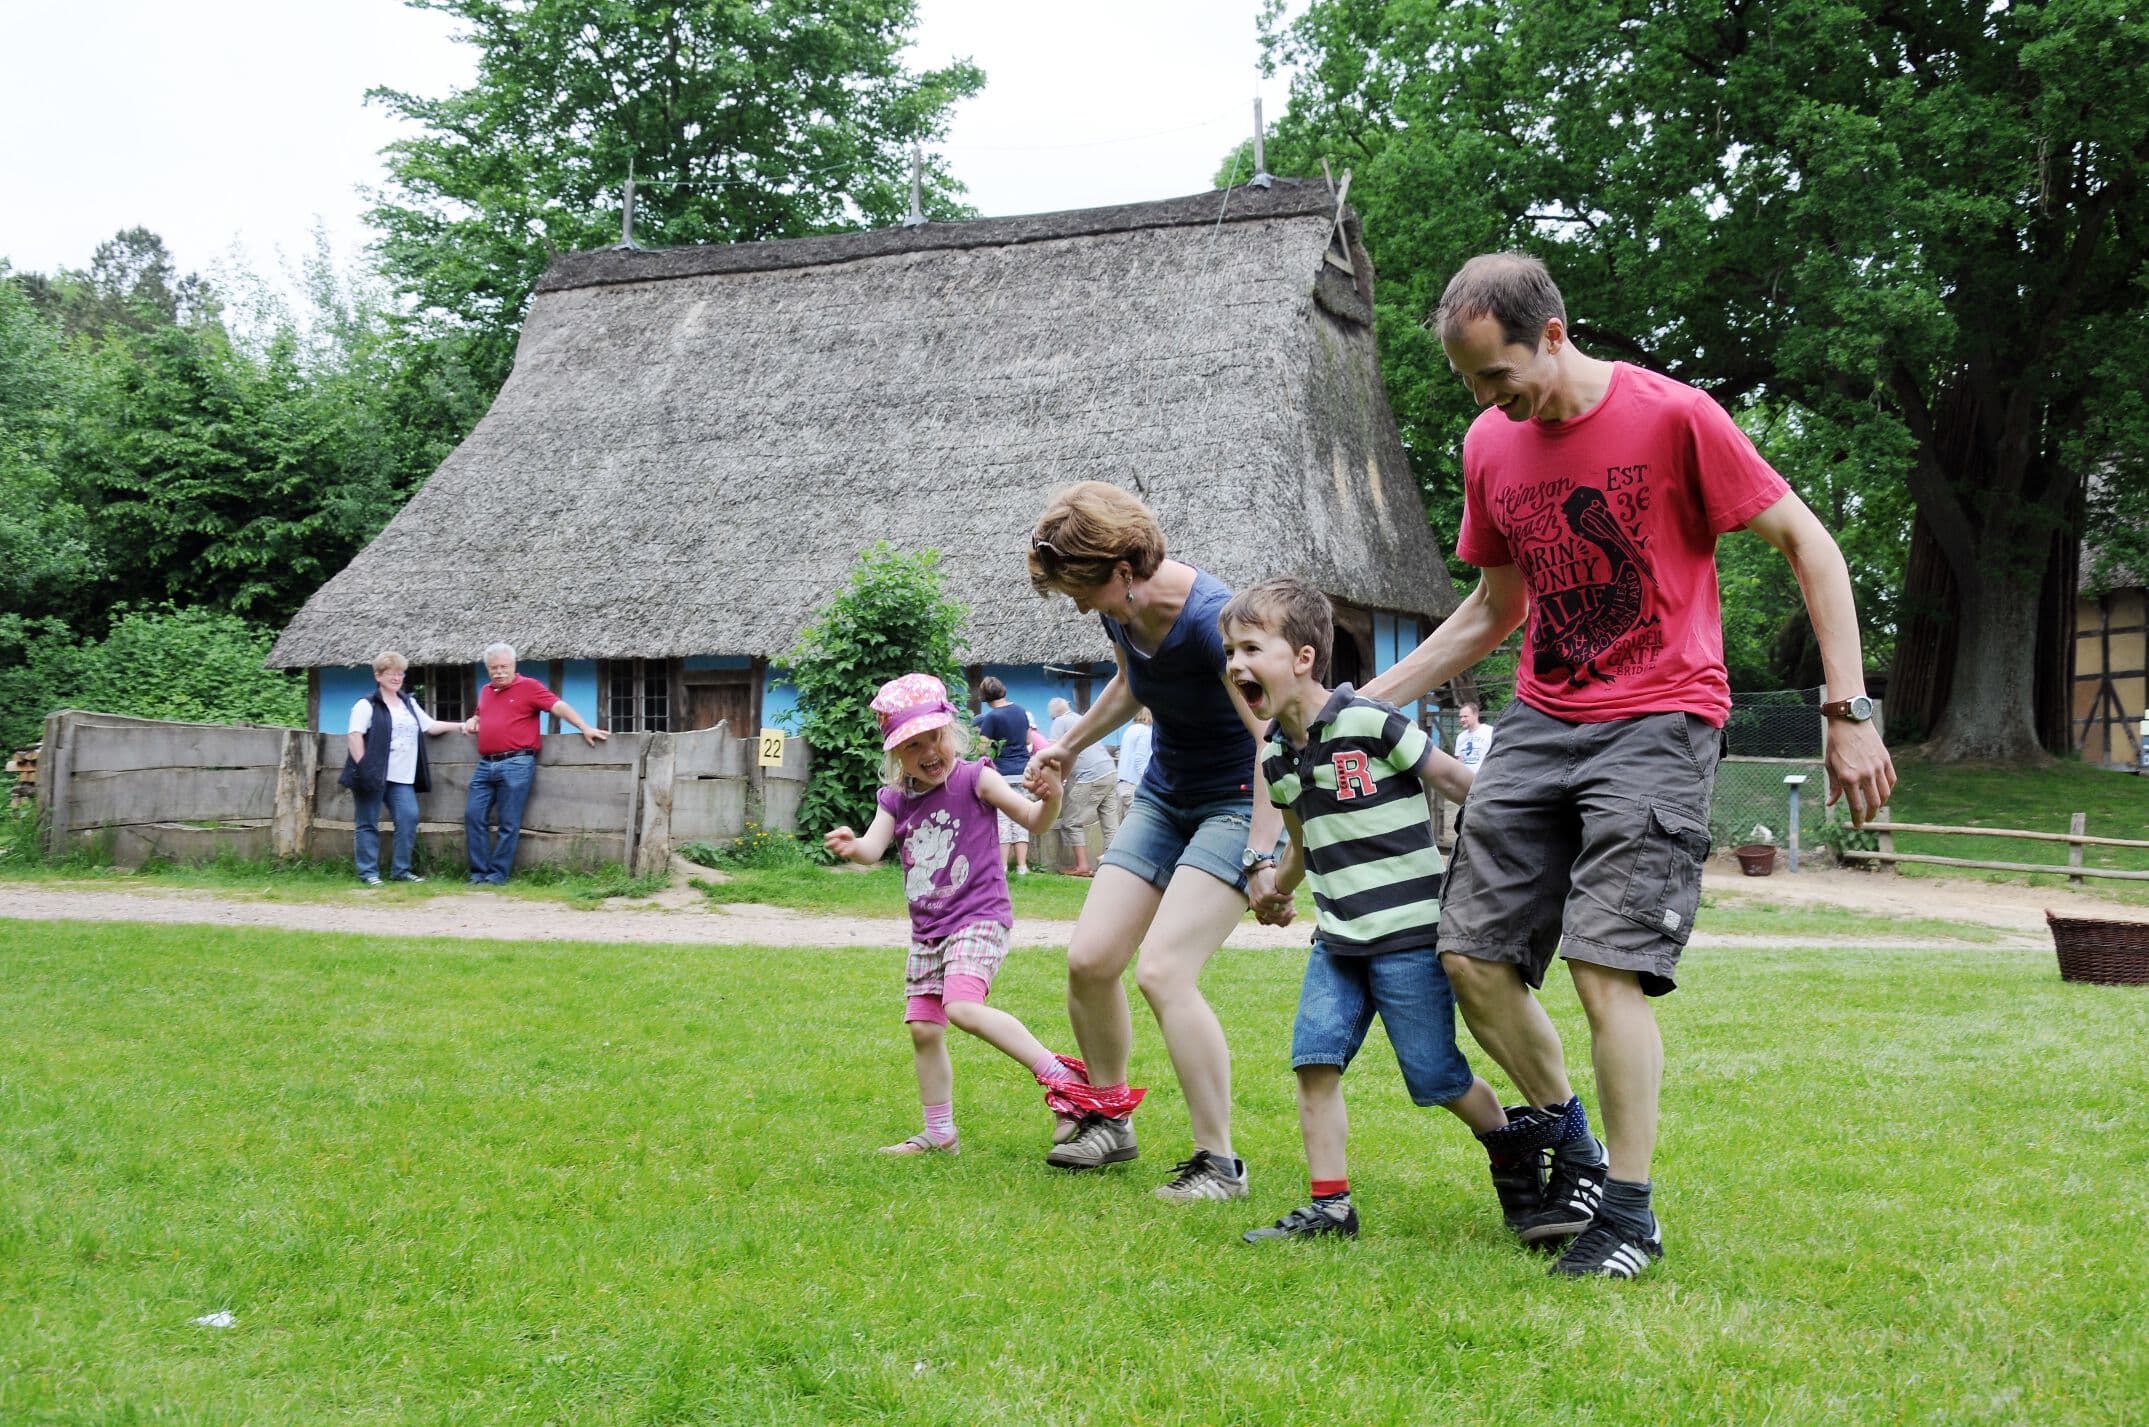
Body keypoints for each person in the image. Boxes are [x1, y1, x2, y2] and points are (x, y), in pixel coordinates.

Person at [1364, 251, 1897, 1278]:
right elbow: (1494, 607)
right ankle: (1571, 1140)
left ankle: (1629, 1210)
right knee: (1471, 953)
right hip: (1541, 713)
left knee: (1605, 964)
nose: (1485, 401)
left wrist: (1849, 708)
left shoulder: (1673, 416)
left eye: (1495, 374)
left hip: (1660, 715)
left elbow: (1809, 542)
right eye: (1470, 382)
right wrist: (1359, 703)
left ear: (1552, 334)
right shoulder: (1491, 442)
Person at [1222, 578, 1528, 1242]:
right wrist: (1277, 884)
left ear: (1302, 657)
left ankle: (1515, 1156)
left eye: (1249, 646)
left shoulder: (1370, 718)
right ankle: (1331, 1207)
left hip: (1408, 936)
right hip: (1337, 939)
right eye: (1229, 650)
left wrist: (1525, 831)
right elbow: (1302, 841)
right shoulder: (1276, 754)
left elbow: (1451, 778)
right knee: (1314, 1059)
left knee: (1436, 1075)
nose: (1234, 663)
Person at [1024, 480, 1291, 1201]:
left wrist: (1267, 853)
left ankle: (1218, 1163)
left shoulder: (1215, 623)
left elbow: (1272, 739)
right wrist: (1069, 745)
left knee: (1164, 970)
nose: (1080, 606)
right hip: (1168, 794)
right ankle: (1110, 1121)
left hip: (1237, 801)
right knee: (1090, 958)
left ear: (1122, 567)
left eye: (1084, 589)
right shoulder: (1125, 610)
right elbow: (1130, 683)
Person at [825, 674, 1132, 1153]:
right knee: (925, 1029)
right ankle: (940, 1133)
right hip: (928, 931)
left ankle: (1064, 1078)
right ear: (895, 754)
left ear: (953, 733)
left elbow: (1032, 820)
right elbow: (873, 848)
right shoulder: (895, 798)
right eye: (913, 745)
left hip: (978, 917)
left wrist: (1048, 802)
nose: (929, 752)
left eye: (935, 738)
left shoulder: (976, 777)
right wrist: (853, 847)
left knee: (963, 1007)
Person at [465, 643, 606, 884]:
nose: (498, 672)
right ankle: (479, 874)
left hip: (516, 762)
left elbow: (558, 706)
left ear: (514, 666)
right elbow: (481, 714)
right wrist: (473, 719)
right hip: (486, 763)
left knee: (509, 821)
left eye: (503, 667)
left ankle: (497, 876)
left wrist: (584, 727)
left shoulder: (529, 687)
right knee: (472, 816)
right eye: (493, 668)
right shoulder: (486, 691)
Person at [338, 651, 463, 886]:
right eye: (391, 673)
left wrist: (462, 725)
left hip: (402, 776)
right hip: (373, 774)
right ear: (378, 675)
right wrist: (365, 769)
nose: (397, 678)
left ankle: (401, 871)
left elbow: (430, 726)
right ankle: (368, 873)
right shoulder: (366, 705)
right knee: (367, 822)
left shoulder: (408, 703)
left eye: (400, 673)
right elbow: (354, 736)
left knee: (408, 817)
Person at [1046, 696, 1121, 877]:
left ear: (1052, 715)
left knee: (1071, 822)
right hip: (1110, 771)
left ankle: (1082, 867)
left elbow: (1054, 751)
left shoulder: (1060, 721)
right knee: (1110, 823)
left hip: (1090, 776)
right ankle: (1112, 867)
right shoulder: (1080, 719)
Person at [973, 676, 1037, 878]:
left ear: (984, 696)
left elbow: (982, 748)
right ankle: (1022, 867)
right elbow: (1028, 739)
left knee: (1002, 819)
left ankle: (1001, 868)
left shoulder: (992, 717)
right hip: (1023, 770)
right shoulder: (1020, 710)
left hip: (1003, 772)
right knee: (1021, 817)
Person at [1114, 707, 1153, 821]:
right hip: (1134, 785)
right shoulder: (1145, 732)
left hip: (1122, 783)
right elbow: (1140, 760)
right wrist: (1149, 782)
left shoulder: (1129, 730)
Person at [1455, 701, 1494, 769]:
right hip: (1466, 777)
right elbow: (1460, 760)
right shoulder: (1460, 737)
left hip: (1484, 776)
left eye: (1465, 716)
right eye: (1460, 717)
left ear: (1476, 715)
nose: (1462, 719)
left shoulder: (1490, 732)